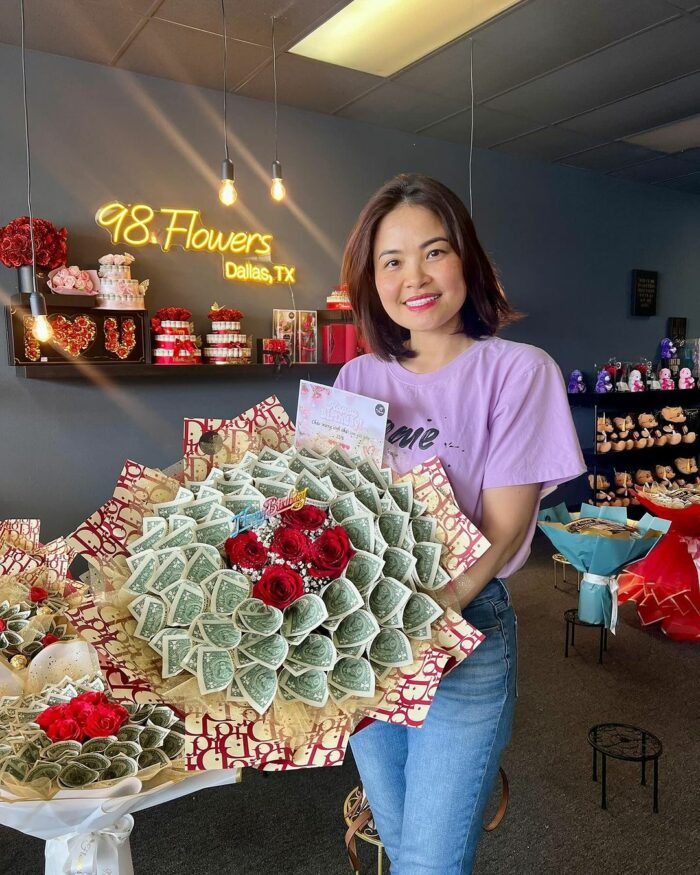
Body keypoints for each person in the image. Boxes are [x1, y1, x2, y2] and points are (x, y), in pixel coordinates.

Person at [334, 173, 585, 874]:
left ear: (467, 261)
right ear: (370, 278)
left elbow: (504, 529)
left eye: (434, 252)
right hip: (367, 640)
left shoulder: (519, 371)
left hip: (464, 632)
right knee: (397, 831)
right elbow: (331, 510)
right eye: (392, 260)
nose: (414, 277)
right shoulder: (357, 378)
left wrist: (428, 613)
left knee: (431, 862)